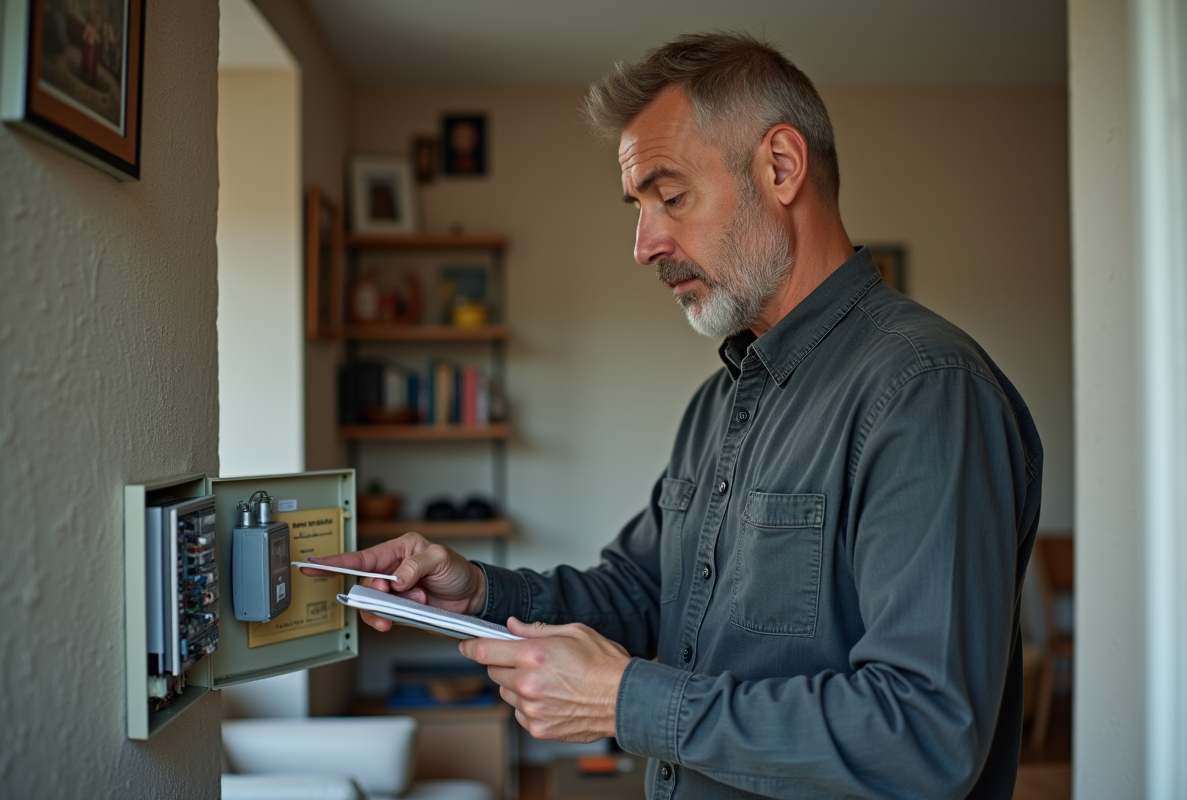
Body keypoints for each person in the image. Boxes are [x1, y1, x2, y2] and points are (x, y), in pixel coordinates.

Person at [310, 32, 1042, 800]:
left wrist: (626, 701)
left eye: (671, 195)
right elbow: (644, 595)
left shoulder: (926, 391)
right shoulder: (718, 403)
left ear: (781, 167)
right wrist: (481, 595)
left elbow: (924, 735)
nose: (644, 244)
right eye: (639, 205)